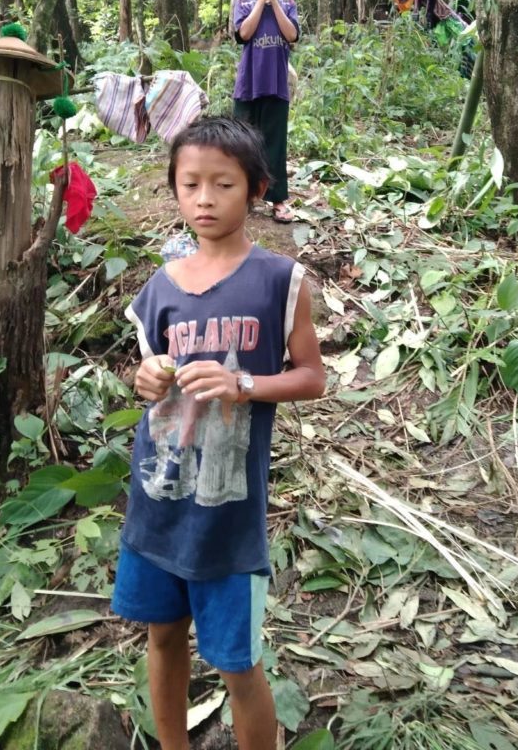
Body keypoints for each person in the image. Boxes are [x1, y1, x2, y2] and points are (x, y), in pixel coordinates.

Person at [111, 116, 325, 750]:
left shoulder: (280, 281)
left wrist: (246, 386)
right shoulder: (159, 290)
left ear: (256, 190)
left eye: (223, 185)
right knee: (162, 634)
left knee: (238, 662)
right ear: (175, 190)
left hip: (231, 517)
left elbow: (312, 376)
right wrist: (145, 379)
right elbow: (146, 375)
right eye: (190, 184)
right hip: (158, 502)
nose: (204, 199)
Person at [232, 0, 299, 224]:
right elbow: (244, 34)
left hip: (276, 87)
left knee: (274, 144)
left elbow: (292, 35)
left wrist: (274, 4)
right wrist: (261, 2)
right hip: (248, 87)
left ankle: (277, 199)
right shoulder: (244, 4)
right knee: (241, 144)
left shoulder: (288, 5)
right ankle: (241, 197)